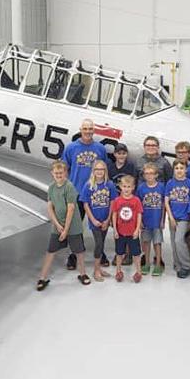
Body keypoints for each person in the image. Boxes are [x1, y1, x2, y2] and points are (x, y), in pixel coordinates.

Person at [61, 118, 107, 270]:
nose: (88, 132)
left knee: (99, 225)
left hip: (96, 194)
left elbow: (104, 169)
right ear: (81, 129)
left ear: (93, 130)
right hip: (77, 193)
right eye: (85, 129)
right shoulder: (71, 148)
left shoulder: (100, 148)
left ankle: (100, 253)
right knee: (75, 227)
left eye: (90, 129)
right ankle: (73, 255)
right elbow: (64, 168)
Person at [36, 161, 90, 291]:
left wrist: (66, 229)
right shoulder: (51, 187)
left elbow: (71, 208)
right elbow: (50, 206)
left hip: (72, 226)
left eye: (61, 173)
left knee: (79, 251)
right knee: (51, 251)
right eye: (56, 173)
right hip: (58, 225)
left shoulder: (69, 187)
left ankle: (82, 273)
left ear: (65, 173)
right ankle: (43, 277)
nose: (59, 175)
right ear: (52, 174)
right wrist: (56, 224)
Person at [81, 160, 118, 282]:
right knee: (99, 244)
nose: (99, 172)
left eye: (102, 169)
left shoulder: (110, 185)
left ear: (105, 171)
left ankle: (100, 268)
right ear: (93, 171)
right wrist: (92, 219)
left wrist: (108, 219)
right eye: (97, 169)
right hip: (95, 221)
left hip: (105, 220)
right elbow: (86, 204)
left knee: (101, 244)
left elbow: (112, 202)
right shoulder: (88, 185)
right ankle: (96, 270)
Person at [164, 159, 190, 278]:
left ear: (186, 170)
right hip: (173, 217)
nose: (179, 170)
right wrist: (171, 217)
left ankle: (187, 265)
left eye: (181, 168)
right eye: (176, 168)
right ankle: (178, 264)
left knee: (179, 240)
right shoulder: (170, 183)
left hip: (185, 218)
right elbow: (166, 201)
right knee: (173, 242)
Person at [112, 175, 144, 283]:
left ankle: (138, 272)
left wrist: (137, 230)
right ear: (120, 187)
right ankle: (118, 271)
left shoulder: (136, 200)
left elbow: (139, 215)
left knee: (136, 253)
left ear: (133, 187)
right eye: (124, 186)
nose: (126, 189)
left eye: (128, 186)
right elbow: (114, 215)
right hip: (120, 233)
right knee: (119, 253)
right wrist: (115, 230)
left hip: (132, 233)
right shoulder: (117, 200)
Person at [137, 163, 166, 276]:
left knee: (157, 243)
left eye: (151, 173)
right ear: (144, 175)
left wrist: (162, 219)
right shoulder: (141, 187)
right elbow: (138, 205)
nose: (149, 176)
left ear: (156, 175)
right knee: (146, 242)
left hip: (157, 220)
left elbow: (164, 204)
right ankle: (147, 263)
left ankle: (158, 264)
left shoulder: (161, 187)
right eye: (147, 173)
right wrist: (140, 221)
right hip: (145, 220)